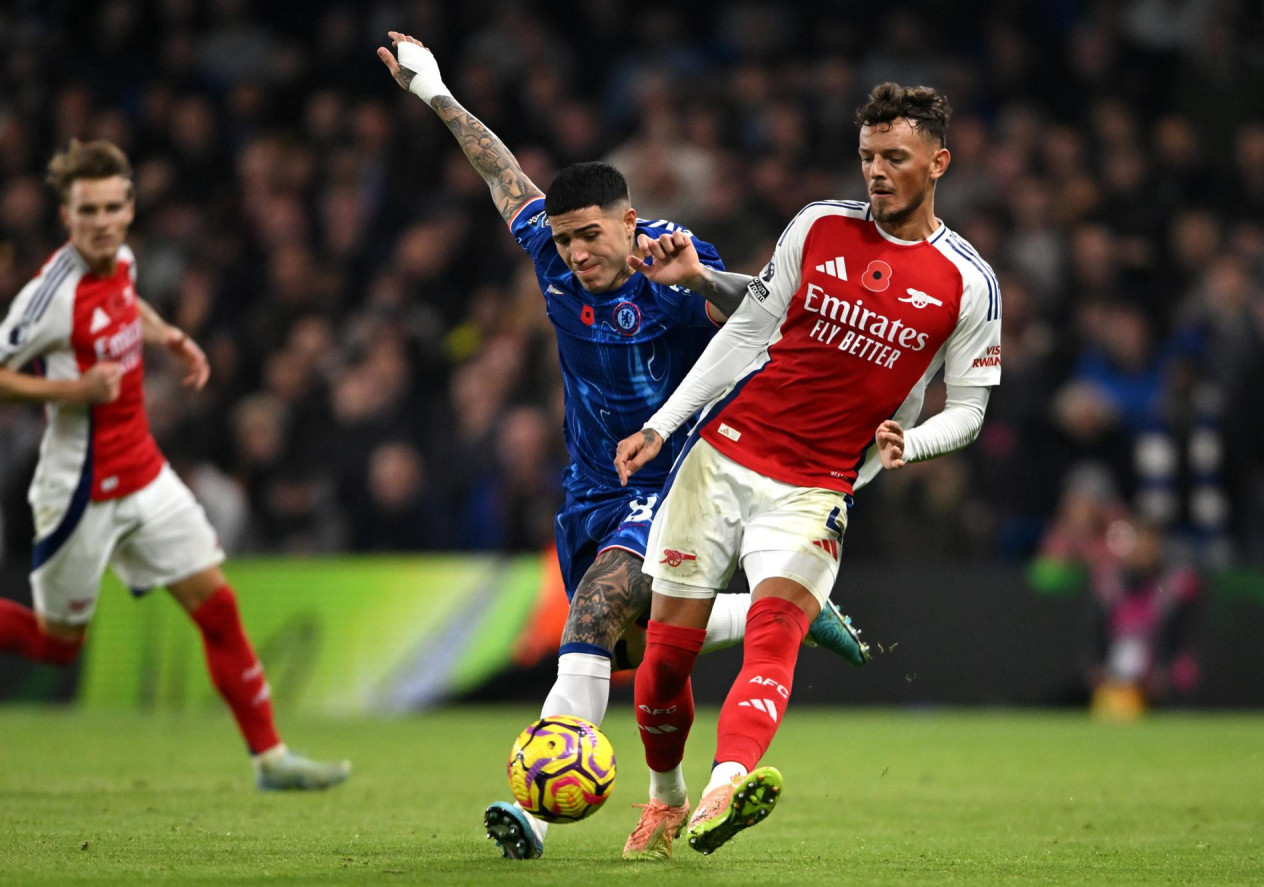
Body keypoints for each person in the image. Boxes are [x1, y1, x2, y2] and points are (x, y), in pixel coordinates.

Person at [376, 32, 869, 859]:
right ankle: (771, 611)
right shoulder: (555, 259)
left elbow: (769, 313)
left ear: (628, 220)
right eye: (565, 238)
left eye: (591, 236)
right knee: (626, 645)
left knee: (596, 604)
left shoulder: (671, 260)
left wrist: (701, 282)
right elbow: (502, 175)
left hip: (676, 473)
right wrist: (434, 90)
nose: (577, 252)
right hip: (592, 484)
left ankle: (533, 811)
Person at [613, 82, 1002, 856]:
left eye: (896, 157)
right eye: (867, 156)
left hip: (816, 486)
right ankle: (665, 797)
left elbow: (971, 408)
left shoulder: (968, 280)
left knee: (775, 631)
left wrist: (912, 441)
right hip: (721, 459)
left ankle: (725, 788)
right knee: (660, 664)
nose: (878, 172)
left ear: (939, 162)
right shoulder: (818, 226)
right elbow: (747, 332)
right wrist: (663, 425)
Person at [0, 139, 350, 791]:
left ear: (129, 209)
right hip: (79, 488)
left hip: (144, 472)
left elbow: (128, 307)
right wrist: (73, 391)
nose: (101, 221)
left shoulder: (123, 263)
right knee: (58, 644)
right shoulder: (49, 294)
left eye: (112, 206)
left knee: (217, 605)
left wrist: (168, 335)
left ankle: (270, 757)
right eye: (87, 210)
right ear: (66, 216)